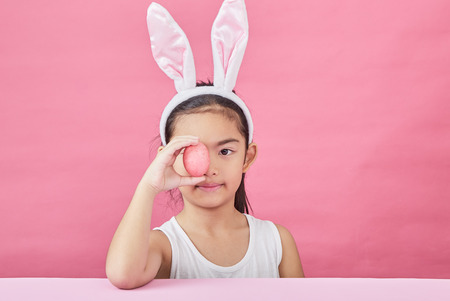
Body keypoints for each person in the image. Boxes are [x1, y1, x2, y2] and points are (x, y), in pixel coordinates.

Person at [106, 0, 304, 289]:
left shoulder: (277, 242)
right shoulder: (165, 246)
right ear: (169, 158)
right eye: (190, 151)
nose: (209, 167)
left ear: (247, 157)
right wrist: (149, 186)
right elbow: (124, 275)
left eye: (225, 151)